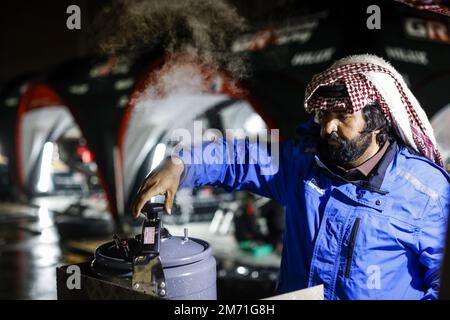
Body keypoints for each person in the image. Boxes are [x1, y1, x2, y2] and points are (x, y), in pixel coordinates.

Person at [131, 54, 450, 300]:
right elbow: (239, 156)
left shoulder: (427, 194)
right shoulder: (304, 163)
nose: (328, 128)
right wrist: (180, 163)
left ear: (379, 119)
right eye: (324, 115)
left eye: (342, 116)